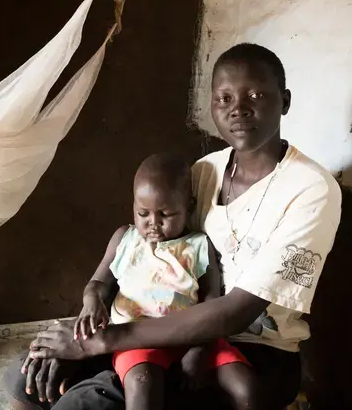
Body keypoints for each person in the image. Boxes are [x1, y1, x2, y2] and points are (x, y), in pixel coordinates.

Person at [1, 43, 342, 410]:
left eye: (256, 95)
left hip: (249, 350)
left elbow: (236, 312)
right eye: (224, 98)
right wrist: (87, 332)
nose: (238, 109)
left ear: (285, 101)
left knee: (84, 403)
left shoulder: (310, 190)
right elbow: (149, 264)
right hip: (164, 328)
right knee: (25, 377)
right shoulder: (203, 172)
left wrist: (99, 342)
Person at [74, 153, 262, 410]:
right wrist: (91, 302)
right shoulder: (125, 239)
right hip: (135, 339)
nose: (153, 223)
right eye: (143, 213)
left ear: (190, 206)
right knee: (143, 385)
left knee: (246, 388)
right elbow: (98, 283)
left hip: (194, 335)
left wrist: (199, 350)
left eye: (165, 214)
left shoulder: (198, 245)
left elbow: (212, 302)